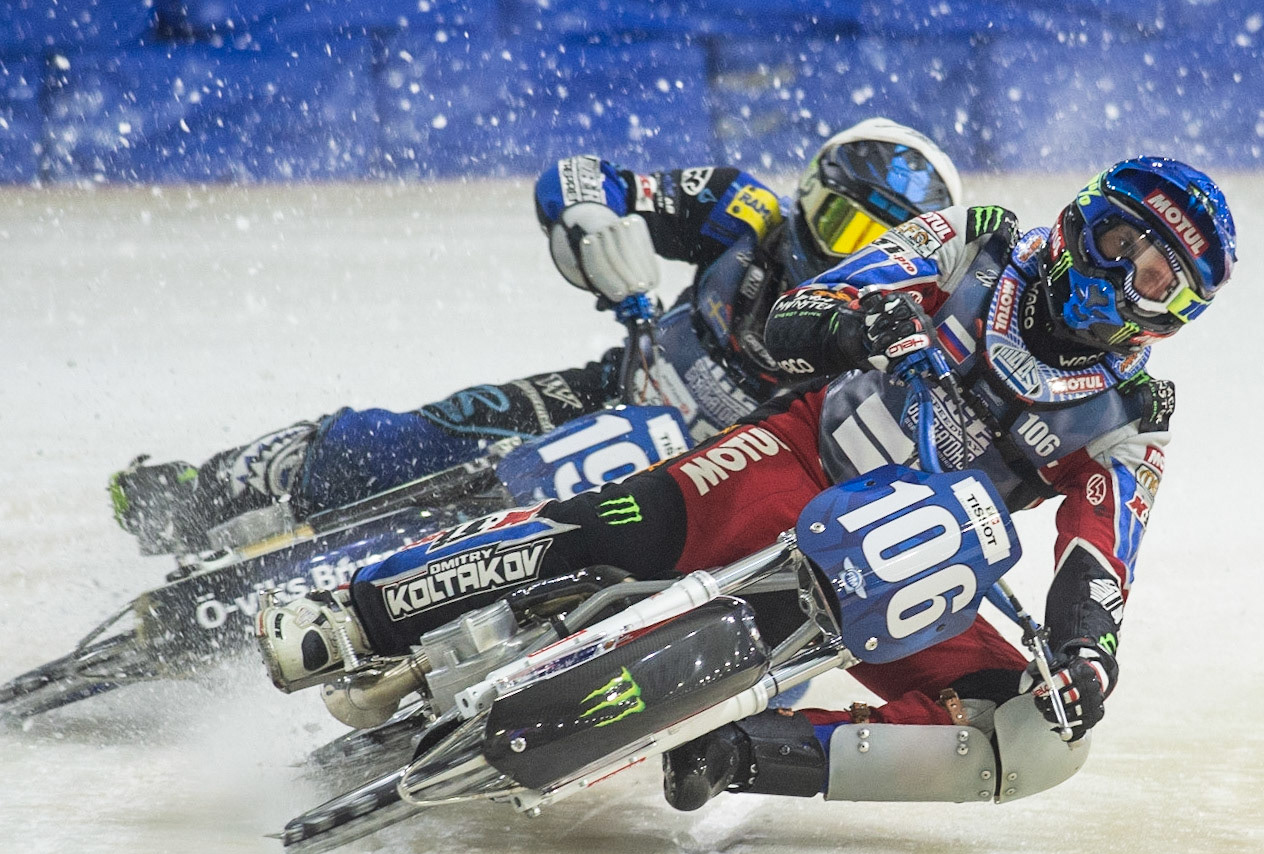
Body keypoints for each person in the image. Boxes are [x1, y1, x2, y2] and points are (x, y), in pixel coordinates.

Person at [258, 155, 1236, 810]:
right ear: (1077, 223)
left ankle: (743, 751)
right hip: (796, 461)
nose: (1120, 279)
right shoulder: (976, 240)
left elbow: (1101, 558)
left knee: (1037, 740)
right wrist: (870, 322)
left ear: (1173, 313)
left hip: (909, 573)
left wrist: (1083, 658)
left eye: (1153, 276)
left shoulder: (1133, 419)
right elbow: (804, 312)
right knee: (615, 527)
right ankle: (356, 612)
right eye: (1117, 243)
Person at [108, 119, 964, 555]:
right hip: (610, 391)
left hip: (714, 484)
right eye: (838, 222)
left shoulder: (900, 324)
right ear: (807, 191)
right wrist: (595, 225)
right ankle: (206, 492)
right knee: (392, 440)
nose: (847, 254)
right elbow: (578, 178)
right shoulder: (739, 209)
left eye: (877, 245)